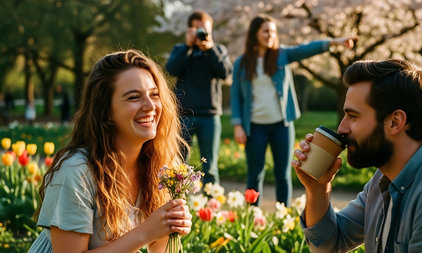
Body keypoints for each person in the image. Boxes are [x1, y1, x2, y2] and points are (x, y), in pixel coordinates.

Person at [28, 50, 192, 252]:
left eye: (154, 94)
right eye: (134, 97)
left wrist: (168, 229)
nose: (150, 106)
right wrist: (146, 232)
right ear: (105, 110)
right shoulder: (76, 171)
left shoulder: (161, 165)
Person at [292, 59, 422, 252]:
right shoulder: (381, 180)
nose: (341, 128)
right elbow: (331, 245)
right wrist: (317, 189)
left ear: (395, 122)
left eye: (353, 116)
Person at [231, 14, 356, 206]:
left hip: (281, 125)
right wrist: (238, 125)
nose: (270, 35)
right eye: (265, 31)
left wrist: (334, 42)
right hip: (254, 127)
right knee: (255, 173)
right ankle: (252, 214)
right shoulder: (242, 63)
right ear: (254, 34)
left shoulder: (281, 55)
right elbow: (236, 96)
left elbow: (306, 49)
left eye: (273, 31)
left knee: (283, 173)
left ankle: (283, 214)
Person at [165, 10, 232, 185]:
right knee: (179, 165)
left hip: (209, 116)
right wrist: (188, 46)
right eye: (197, 30)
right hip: (183, 114)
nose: (201, 34)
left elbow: (225, 72)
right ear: (189, 30)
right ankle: (178, 204)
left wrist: (210, 50)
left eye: (205, 31)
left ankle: (212, 208)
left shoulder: (218, 51)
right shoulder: (180, 50)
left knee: (210, 166)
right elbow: (170, 70)